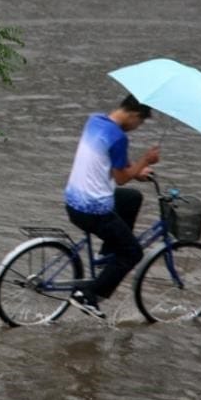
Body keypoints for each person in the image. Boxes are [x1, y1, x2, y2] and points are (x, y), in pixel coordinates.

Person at [64, 94, 160, 319]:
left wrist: (137, 170)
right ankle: (87, 295)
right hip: (92, 210)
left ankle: (108, 254)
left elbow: (115, 162)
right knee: (133, 252)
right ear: (135, 115)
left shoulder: (96, 120)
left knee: (131, 198)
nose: (138, 127)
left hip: (73, 201)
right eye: (141, 122)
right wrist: (145, 161)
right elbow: (121, 179)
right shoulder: (119, 137)